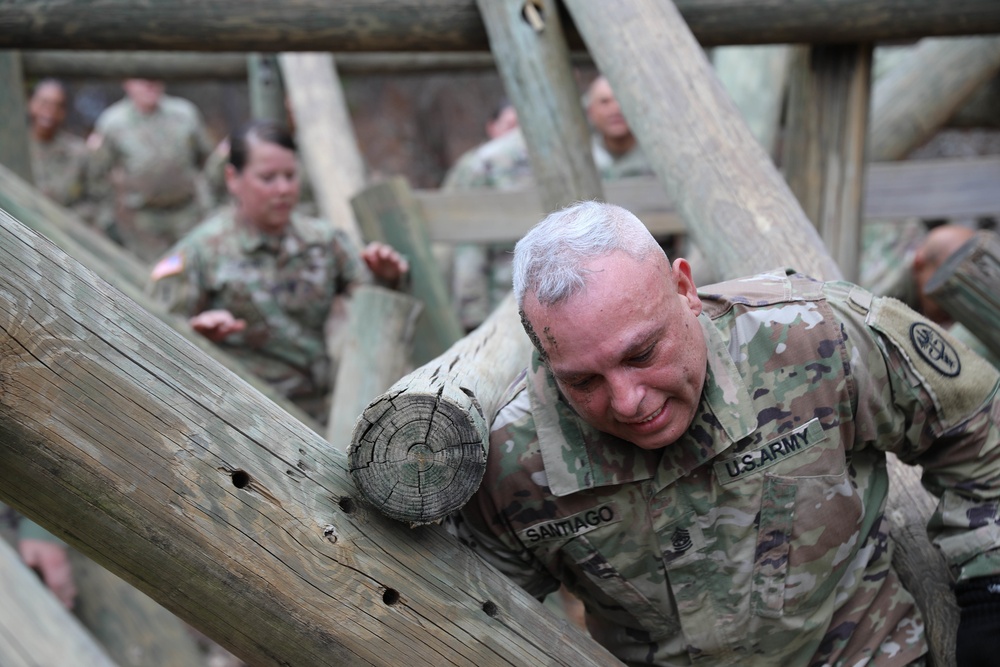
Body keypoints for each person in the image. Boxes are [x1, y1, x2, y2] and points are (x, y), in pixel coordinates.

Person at [450, 200, 1000, 666]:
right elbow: (478, 609)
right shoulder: (510, 459)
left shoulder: (812, 338)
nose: (627, 400)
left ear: (685, 288)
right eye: (583, 381)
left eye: (642, 354)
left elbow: (977, 423)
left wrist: (988, 589)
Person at [148, 120, 408, 423]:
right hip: (233, 413)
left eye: (290, 176)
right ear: (233, 179)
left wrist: (387, 277)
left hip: (314, 413)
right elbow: (156, 332)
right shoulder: (201, 252)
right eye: (268, 178)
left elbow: (371, 305)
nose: (283, 189)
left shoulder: (324, 242)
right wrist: (195, 332)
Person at [88, 78, 214, 263]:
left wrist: (208, 203)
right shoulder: (112, 122)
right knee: (147, 278)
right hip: (142, 223)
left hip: (188, 216)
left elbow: (206, 160)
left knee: (191, 272)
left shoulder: (185, 113)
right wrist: (108, 217)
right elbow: (98, 174)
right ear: (127, 83)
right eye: (142, 78)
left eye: (154, 76)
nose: (150, 84)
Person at [26, 78, 94, 223]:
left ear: (64, 112)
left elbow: (94, 200)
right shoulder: (13, 145)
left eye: (58, 106)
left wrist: (65, 220)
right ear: (31, 103)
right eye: (44, 103)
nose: (50, 111)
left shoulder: (78, 153)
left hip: (63, 233)